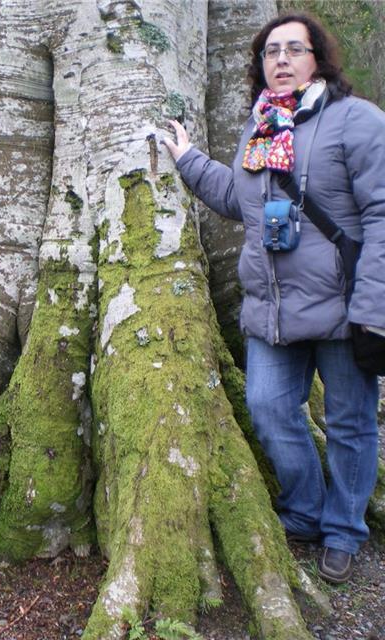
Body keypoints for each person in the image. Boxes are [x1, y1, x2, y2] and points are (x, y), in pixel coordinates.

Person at [162, 13, 384, 584]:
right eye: (270, 52)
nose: (281, 60)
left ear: (319, 58)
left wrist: (373, 308)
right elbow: (243, 202)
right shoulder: (260, 128)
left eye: (294, 49)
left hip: (342, 307)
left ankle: (343, 530)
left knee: (351, 424)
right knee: (267, 408)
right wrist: (188, 160)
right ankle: (305, 511)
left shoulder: (356, 121)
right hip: (273, 311)